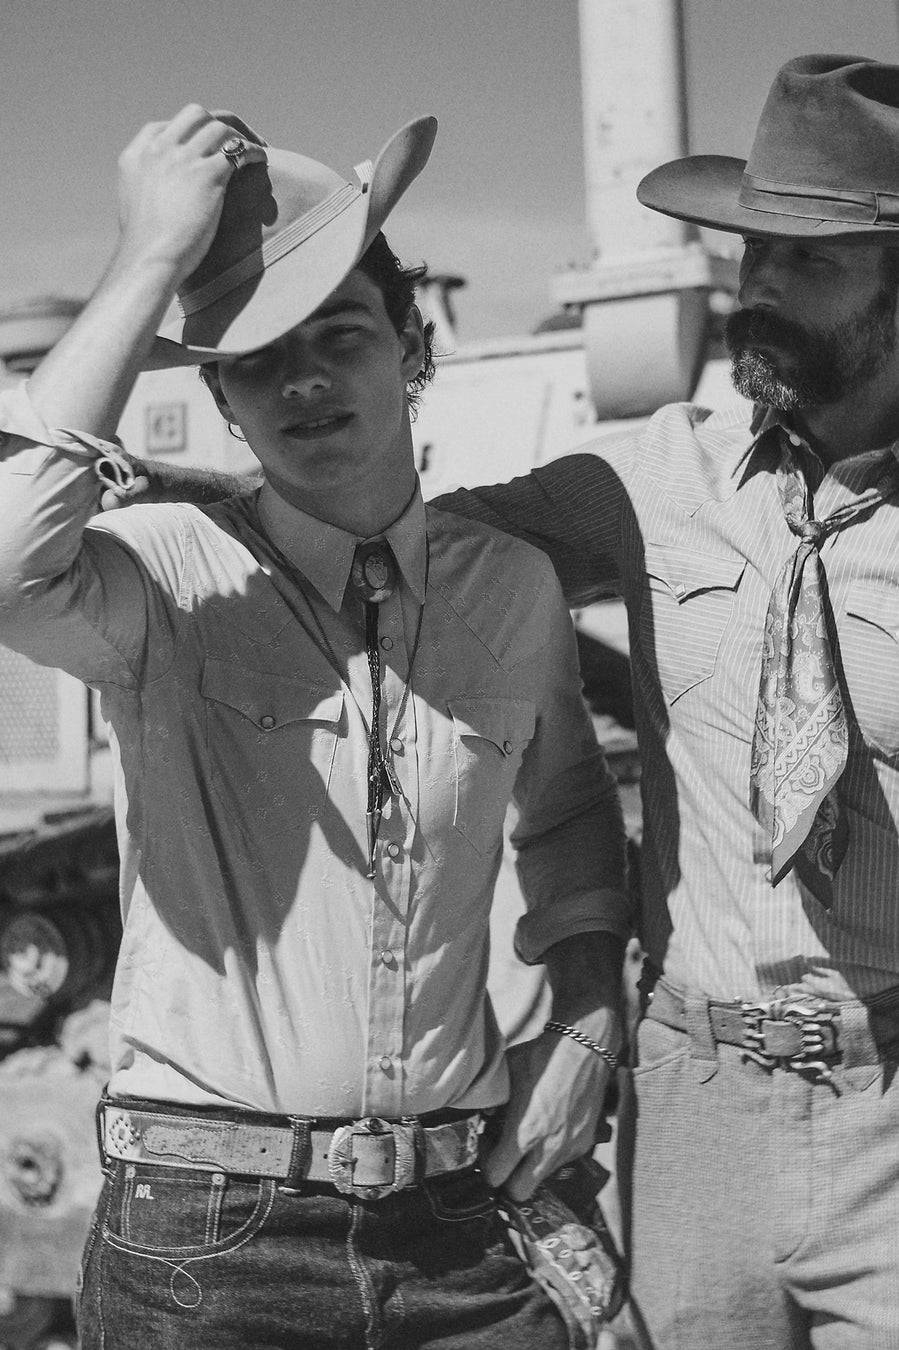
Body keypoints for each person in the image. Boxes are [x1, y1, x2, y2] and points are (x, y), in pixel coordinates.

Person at [103, 57, 899, 1350]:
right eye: (752, 253)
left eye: (809, 262)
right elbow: (390, 529)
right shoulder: (645, 479)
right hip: (691, 1124)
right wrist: (165, 485)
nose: (759, 290)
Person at [0, 105, 631, 1350]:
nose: (300, 381)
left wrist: (586, 1015)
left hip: (462, 1228)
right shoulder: (162, 572)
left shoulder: (510, 587)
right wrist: (149, 261)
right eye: (252, 361)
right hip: (208, 1245)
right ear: (225, 403)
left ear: (414, 348)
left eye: (340, 336)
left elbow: (563, 812)